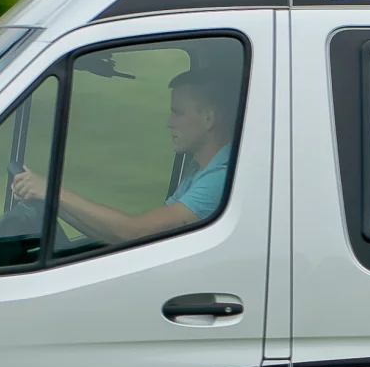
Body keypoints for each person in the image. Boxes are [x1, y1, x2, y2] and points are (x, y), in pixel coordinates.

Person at [17, 54, 240, 247]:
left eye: (178, 113)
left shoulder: (220, 179)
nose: (169, 123)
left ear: (209, 118)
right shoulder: (199, 170)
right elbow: (124, 238)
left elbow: (137, 233)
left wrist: (51, 190)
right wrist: (51, 200)